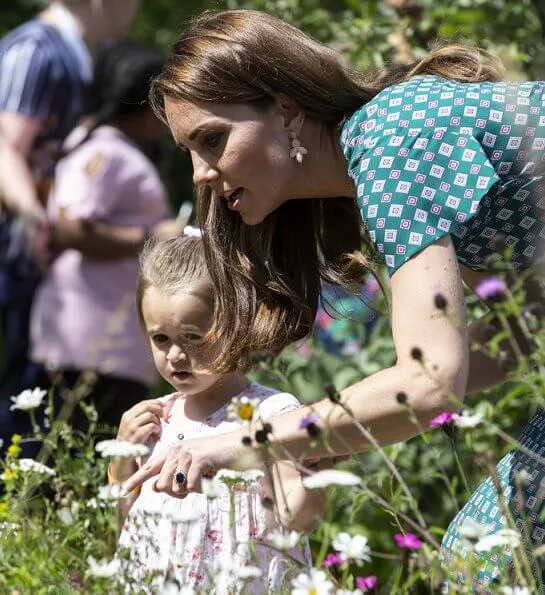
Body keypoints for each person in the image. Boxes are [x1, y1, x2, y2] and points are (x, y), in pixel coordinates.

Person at [122, 9, 545, 587]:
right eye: (188, 151)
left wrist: (247, 442)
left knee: (486, 566)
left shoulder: (393, 142)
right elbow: (525, 337)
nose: (199, 174)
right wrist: (342, 428)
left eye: (213, 139)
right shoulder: (385, 149)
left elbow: (431, 382)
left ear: (287, 108)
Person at [110, 232, 324, 593]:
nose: (175, 354)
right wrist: (120, 462)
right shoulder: (153, 421)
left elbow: (299, 519)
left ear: (237, 324)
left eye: (193, 337)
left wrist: (317, 475)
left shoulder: (271, 415)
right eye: (161, 339)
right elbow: (122, 526)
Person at [0, 41, 180, 458]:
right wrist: (154, 237)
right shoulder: (105, 152)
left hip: (97, 337)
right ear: (141, 98)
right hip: (91, 340)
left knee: (69, 453)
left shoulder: (98, 144)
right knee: (69, 454)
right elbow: (71, 227)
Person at [0, 0, 140, 398]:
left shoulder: (80, 53)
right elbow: (5, 146)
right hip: (20, 251)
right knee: (23, 393)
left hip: (43, 255)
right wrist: (32, 217)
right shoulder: (35, 49)